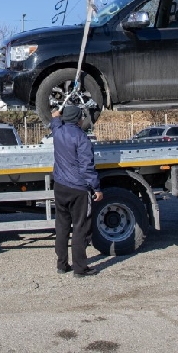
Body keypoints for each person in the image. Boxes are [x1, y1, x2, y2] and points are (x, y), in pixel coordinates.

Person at [51, 105, 103, 278]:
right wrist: (96, 188)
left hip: (60, 186)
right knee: (80, 228)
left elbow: (55, 119)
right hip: (78, 189)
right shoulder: (81, 138)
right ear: (78, 119)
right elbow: (87, 166)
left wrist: (58, 114)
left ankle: (62, 265)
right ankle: (80, 269)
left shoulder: (57, 131)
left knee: (62, 226)